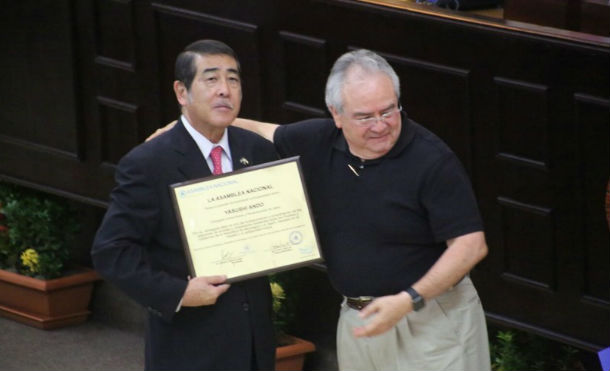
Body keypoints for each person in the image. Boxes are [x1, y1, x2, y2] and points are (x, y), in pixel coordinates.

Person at [149, 49, 491, 371]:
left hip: (429, 315)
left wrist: (408, 299)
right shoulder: (318, 140)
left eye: (389, 110)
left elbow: (470, 245)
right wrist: (183, 131)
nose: (380, 125)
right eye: (364, 116)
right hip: (359, 317)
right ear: (336, 115)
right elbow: (262, 131)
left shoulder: (431, 159)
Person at [92, 40, 277, 371]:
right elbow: (111, 251)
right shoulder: (149, 163)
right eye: (211, 79)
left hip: (253, 343)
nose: (225, 90)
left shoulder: (257, 151)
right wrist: (179, 293)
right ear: (181, 92)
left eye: (233, 80)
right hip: (189, 345)